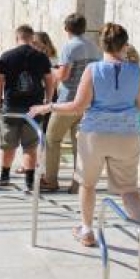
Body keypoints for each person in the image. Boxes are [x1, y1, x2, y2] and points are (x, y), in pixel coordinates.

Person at [30, 23, 140, 263]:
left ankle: (87, 229)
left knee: (87, 184)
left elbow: (78, 106)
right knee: (129, 190)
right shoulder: (136, 72)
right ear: (125, 44)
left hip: (95, 134)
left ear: (103, 45)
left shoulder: (93, 70)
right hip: (127, 134)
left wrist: (47, 106)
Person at [42, 14, 102, 193]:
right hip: (87, 101)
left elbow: (64, 75)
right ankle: (77, 184)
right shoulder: (93, 47)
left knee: (52, 138)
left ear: (67, 29)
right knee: (80, 144)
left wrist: (52, 72)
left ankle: (51, 180)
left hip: (68, 100)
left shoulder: (69, 46)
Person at [0, 25, 55, 190]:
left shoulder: (6, 56)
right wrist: (47, 100)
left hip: (11, 105)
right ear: (31, 38)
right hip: (34, 107)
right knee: (30, 146)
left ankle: (5, 176)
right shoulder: (41, 57)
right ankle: (29, 182)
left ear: (17, 38)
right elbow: (50, 81)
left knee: (8, 144)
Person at [30, 31, 59, 135]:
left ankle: (42, 149)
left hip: (48, 93)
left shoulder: (52, 59)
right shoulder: (36, 57)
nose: (32, 44)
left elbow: (54, 79)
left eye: (35, 42)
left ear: (44, 43)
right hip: (41, 92)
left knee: (45, 126)